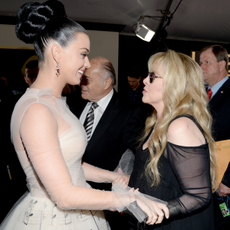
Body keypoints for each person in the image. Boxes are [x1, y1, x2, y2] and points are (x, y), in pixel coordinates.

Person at [0, 1, 169, 229]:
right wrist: (128, 199)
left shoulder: (56, 102)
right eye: (83, 54)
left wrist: (114, 177)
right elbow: (64, 196)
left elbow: (72, 164)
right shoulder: (37, 110)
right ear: (57, 53)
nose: (87, 63)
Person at [127, 49, 216, 230]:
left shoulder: (179, 125)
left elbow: (199, 196)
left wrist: (154, 212)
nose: (144, 80)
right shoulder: (158, 122)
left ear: (174, 84)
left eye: (152, 76)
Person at [78, 57, 144, 191]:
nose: (81, 84)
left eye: (87, 80)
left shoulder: (129, 112)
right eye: (82, 78)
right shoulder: (74, 103)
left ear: (107, 82)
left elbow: (138, 155)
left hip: (103, 195)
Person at [199, 44, 230, 230]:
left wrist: (228, 180)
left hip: (224, 182)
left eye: (207, 62)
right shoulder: (201, 95)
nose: (201, 67)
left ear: (222, 65)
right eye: (200, 62)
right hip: (205, 178)